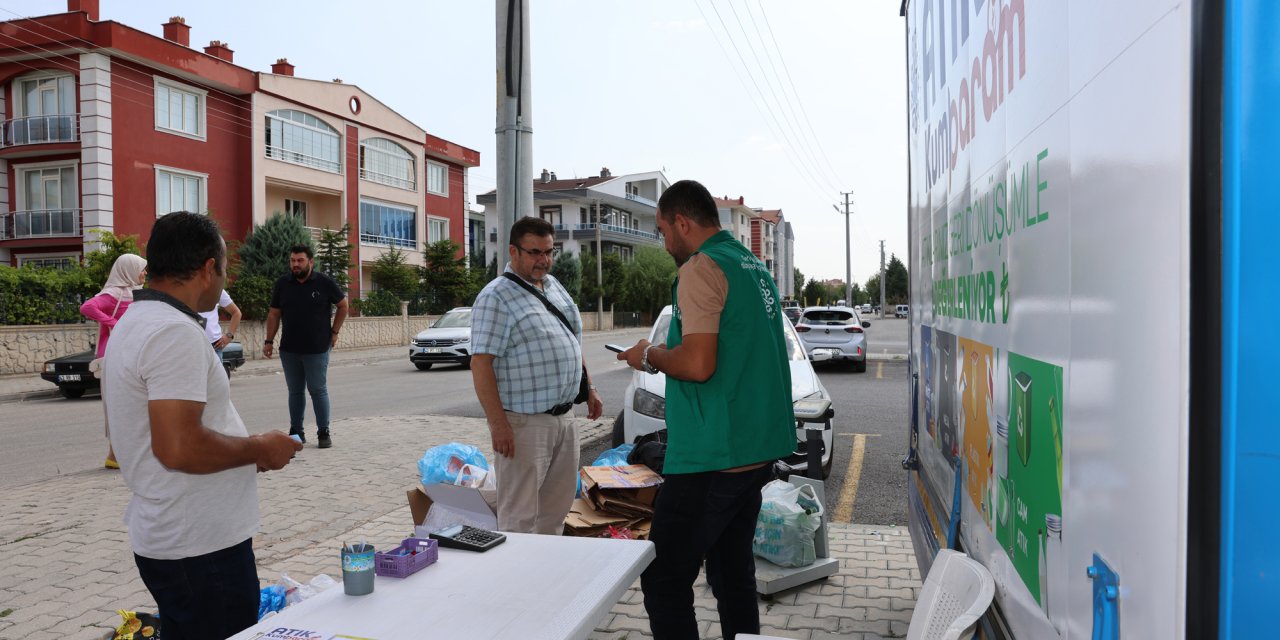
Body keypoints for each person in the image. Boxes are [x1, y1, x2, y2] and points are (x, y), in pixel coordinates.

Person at [102, 211, 302, 640]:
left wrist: (241, 454)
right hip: (199, 546)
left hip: (180, 536)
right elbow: (179, 448)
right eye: (225, 268)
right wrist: (257, 448)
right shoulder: (172, 332)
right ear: (209, 267)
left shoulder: (135, 323)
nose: (224, 279)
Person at [617, 180, 796, 639]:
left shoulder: (701, 268)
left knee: (664, 577)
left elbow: (697, 365)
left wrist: (649, 354)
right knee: (731, 573)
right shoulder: (751, 264)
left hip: (713, 456)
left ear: (681, 222)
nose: (664, 242)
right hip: (753, 450)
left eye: (662, 231)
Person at [470, 216, 603, 534]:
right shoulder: (495, 297)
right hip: (523, 425)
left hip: (563, 419)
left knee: (555, 512)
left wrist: (589, 389)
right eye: (534, 252)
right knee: (519, 517)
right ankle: (518, 582)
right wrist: (498, 424)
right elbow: (481, 363)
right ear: (513, 252)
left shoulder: (552, 286)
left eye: (549, 251)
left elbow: (570, 337)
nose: (543, 260)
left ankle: (547, 579)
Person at [263, 244, 348, 449]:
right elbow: (274, 313)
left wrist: (334, 333)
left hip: (317, 348)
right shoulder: (283, 284)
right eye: (292, 260)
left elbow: (343, 305)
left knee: (317, 390)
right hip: (289, 349)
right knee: (295, 391)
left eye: (300, 260)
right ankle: (296, 432)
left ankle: (323, 431)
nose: (295, 264)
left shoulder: (324, 282)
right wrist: (269, 340)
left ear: (310, 262)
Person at [80, 253, 147, 469]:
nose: (145, 273)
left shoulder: (137, 292)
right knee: (118, 404)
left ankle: (119, 455)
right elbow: (87, 307)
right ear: (128, 270)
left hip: (133, 353)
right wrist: (114, 322)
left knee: (133, 404)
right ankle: (115, 456)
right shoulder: (114, 293)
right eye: (141, 269)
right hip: (114, 355)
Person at [200, 289, 242, 361]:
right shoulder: (182, 286)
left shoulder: (215, 286)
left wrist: (229, 336)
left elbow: (236, 313)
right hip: (190, 346)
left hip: (214, 346)